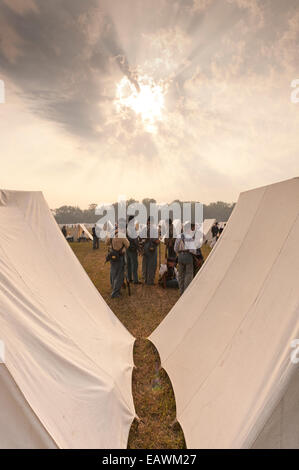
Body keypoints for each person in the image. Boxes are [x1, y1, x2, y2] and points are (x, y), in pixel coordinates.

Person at [106, 219, 129, 298]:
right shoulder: (122, 235)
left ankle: (113, 287)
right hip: (120, 257)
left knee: (113, 273)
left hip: (112, 256)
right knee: (120, 275)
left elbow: (106, 243)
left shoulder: (112, 234)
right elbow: (128, 244)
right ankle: (115, 293)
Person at [174, 222, 195, 295]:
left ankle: (181, 291)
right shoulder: (189, 237)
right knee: (188, 274)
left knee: (180, 275)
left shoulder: (179, 236)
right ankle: (186, 292)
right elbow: (193, 250)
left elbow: (175, 249)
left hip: (180, 256)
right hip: (188, 256)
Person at [140, 216, 160, 285]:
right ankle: (150, 281)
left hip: (145, 246)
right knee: (152, 264)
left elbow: (140, 237)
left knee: (145, 263)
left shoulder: (144, 228)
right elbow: (155, 240)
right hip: (152, 247)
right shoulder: (154, 229)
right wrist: (158, 241)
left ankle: (145, 279)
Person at [126, 215, 140, 284]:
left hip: (127, 248)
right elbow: (135, 240)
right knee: (134, 265)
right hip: (132, 248)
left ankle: (129, 278)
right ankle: (135, 280)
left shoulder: (126, 227)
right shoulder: (132, 228)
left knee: (128, 265)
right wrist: (138, 248)